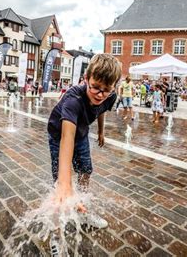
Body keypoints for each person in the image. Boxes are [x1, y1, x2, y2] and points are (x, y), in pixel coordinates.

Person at [47, 54, 121, 254]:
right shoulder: (73, 98)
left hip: (81, 133)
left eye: (106, 90)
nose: (99, 94)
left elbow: (102, 108)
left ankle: (83, 210)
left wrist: (101, 131)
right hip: (59, 134)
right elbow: (66, 138)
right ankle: (55, 235)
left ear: (113, 86)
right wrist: (65, 183)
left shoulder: (110, 95)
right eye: (95, 87)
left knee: (86, 170)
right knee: (60, 185)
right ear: (86, 78)